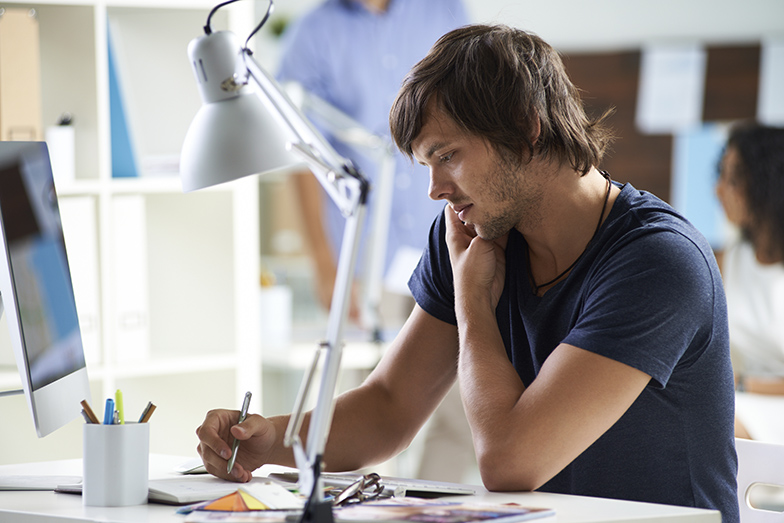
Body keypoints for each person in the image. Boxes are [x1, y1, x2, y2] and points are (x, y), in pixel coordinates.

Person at [196, 24, 739, 522]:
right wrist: (274, 437)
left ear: (527, 129)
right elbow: (389, 406)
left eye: (447, 156)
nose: (435, 189)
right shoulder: (471, 226)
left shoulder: (656, 262)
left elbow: (509, 464)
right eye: (426, 165)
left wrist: (472, 302)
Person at [276, 0, 469, 324]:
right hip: (365, 258)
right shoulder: (312, 33)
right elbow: (303, 155)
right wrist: (324, 264)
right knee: (380, 367)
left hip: (446, 246)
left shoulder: (444, 10)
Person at [715, 121, 784, 441]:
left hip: (768, 407)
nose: (719, 190)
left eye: (733, 178)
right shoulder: (729, 259)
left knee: (712, 426)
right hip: (736, 402)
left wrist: (741, 383)